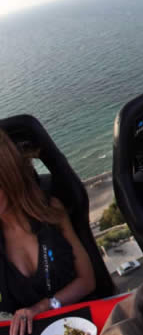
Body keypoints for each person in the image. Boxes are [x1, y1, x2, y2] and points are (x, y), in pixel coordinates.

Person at [0, 129, 95, 335]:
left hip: (80, 325)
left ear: (8, 175)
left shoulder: (51, 211)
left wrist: (41, 307)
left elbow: (87, 281)